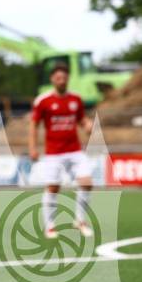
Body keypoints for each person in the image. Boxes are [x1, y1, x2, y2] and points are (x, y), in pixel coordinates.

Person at [29, 64, 94, 238]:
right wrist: (33, 148)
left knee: (87, 183)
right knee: (53, 187)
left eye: (64, 78)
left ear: (68, 79)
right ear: (52, 79)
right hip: (53, 152)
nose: (62, 81)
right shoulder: (43, 101)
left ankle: (80, 221)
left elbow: (81, 119)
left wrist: (87, 125)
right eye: (58, 78)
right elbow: (34, 125)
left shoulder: (76, 99)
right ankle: (49, 226)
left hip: (75, 150)